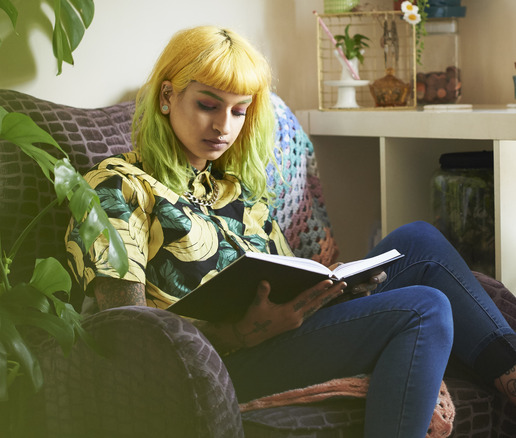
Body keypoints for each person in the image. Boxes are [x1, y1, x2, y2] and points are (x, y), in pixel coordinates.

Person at [65, 25, 516, 437]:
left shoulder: (233, 189)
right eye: (207, 105)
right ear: (167, 97)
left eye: (239, 111)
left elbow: (287, 273)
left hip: (286, 334)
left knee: (420, 241)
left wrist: (338, 285)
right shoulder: (115, 186)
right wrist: (237, 333)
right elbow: (127, 330)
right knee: (425, 307)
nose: (224, 126)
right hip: (224, 362)